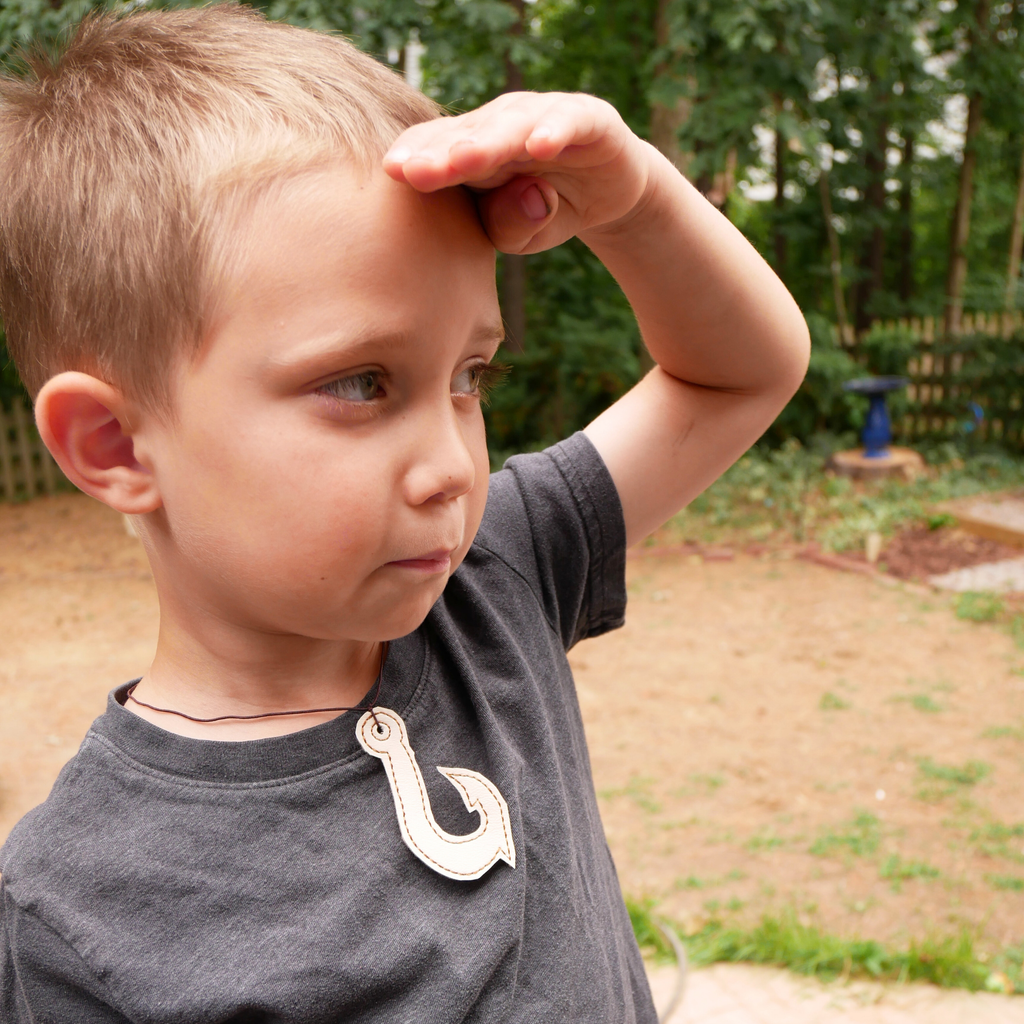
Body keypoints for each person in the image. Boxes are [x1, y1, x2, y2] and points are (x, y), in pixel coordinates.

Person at [0, 4, 809, 1021]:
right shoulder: (73, 904)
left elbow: (741, 373)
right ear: (114, 445)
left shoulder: (496, 584)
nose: (450, 466)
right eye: (361, 383)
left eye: (469, 375)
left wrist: (633, 199)